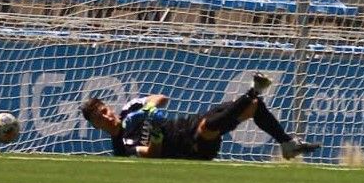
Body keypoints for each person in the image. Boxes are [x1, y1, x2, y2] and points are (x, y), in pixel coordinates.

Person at [82, 73, 320, 161]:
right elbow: (151, 154)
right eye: (98, 118)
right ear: (95, 126)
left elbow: (160, 98)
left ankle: (287, 144)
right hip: (186, 147)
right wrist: (154, 132)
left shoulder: (128, 110)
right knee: (207, 128)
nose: (105, 116)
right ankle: (253, 90)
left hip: (185, 125)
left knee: (253, 107)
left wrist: (147, 110)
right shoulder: (120, 147)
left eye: (104, 110)